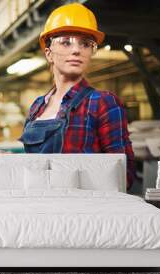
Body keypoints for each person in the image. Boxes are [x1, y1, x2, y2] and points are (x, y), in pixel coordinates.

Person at [18, 3, 135, 190]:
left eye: (86, 44)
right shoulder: (37, 106)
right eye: (66, 42)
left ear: (91, 52)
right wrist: (10, 164)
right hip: (38, 209)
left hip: (82, 212)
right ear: (49, 53)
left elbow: (124, 174)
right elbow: (32, 167)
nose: (76, 50)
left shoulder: (103, 103)